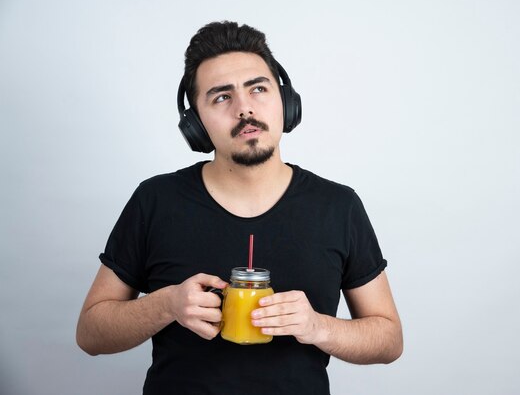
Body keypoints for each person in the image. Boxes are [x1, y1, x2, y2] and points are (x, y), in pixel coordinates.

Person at [76, 21, 402, 395]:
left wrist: (318, 327)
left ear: (286, 102)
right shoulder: (155, 200)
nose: (244, 108)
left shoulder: (338, 206)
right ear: (195, 124)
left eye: (258, 89)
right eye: (221, 97)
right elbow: (90, 333)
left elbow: (389, 339)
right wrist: (165, 305)